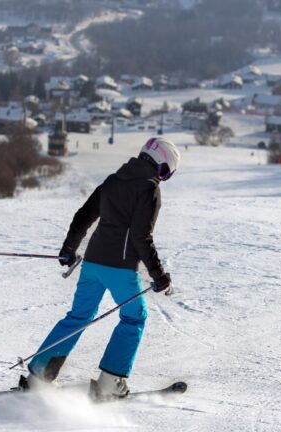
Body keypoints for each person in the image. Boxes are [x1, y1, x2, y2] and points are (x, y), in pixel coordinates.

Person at [20, 137, 181, 399]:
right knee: (134, 317)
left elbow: (84, 215)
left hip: (93, 263)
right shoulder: (149, 188)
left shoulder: (113, 180)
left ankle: (39, 375)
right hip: (120, 267)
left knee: (78, 316)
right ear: (161, 165)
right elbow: (141, 236)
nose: (163, 178)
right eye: (166, 173)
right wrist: (159, 275)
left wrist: (69, 248)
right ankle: (110, 382)